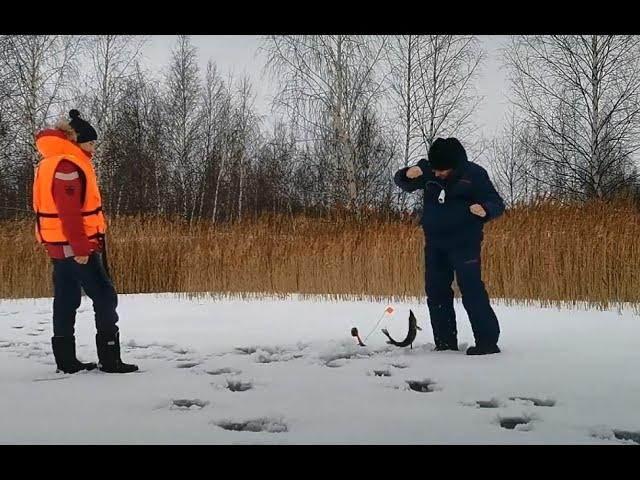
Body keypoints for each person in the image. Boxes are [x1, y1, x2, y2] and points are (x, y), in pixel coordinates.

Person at [32, 110, 138, 373]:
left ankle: (66, 361)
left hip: (57, 246)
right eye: (90, 143)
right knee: (104, 296)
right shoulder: (68, 166)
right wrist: (81, 247)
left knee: (66, 299)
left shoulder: (50, 163)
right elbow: (69, 212)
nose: (93, 149)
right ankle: (110, 359)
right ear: (76, 142)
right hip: (75, 247)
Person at [394, 137, 505, 355]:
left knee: (472, 290)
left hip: (465, 243)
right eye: (434, 170)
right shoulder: (428, 170)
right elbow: (402, 182)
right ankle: (445, 344)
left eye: (441, 171)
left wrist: (485, 209)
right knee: (436, 292)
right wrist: (407, 174)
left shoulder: (474, 174)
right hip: (435, 244)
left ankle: (487, 343)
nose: (436, 174)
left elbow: (497, 203)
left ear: (454, 166)